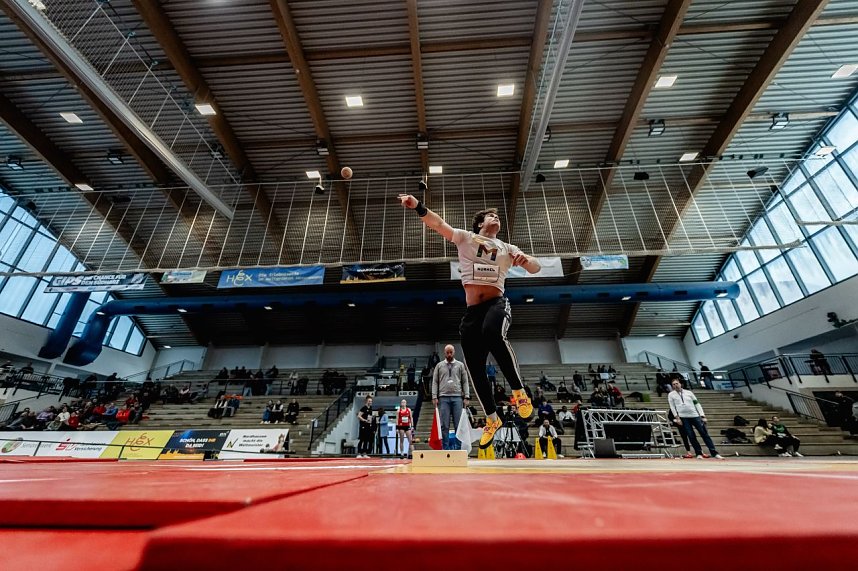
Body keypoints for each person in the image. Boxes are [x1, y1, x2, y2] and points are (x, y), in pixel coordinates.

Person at [400, 192, 539, 452]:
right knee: (474, 366)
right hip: (472, 311)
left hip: (496, 303)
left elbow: (536, 268)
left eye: (498, 216)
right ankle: (491, 418)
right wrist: (417, 206)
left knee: (493, 333)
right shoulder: (466, 237)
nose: (495, 217)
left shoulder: (508, 248)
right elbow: (439, 224)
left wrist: (527, 260)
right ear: (479, 224)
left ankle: (519, 393)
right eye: (490, 215)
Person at [667, 379, 723, 459]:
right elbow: (672, 407)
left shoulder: (689, 393)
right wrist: (677, 418)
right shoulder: (671, 395)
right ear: (672, 386)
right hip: (683, 417)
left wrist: (702, 415)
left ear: (680, 384)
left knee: (704, 434)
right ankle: (698, 453)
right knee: (691, 436)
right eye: (673, 384)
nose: (676, 385)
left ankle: (714, 452)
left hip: (695, 415)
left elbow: (697, 403)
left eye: (677, 383)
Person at [432, 344, 471, 450]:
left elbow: (465, 381)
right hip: (443, 398)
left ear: (454, 352)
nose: (449, 354)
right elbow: (435, 382)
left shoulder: (460, 365)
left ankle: (458, 448)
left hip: (457, 398)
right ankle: (445, 449)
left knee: (458, 425)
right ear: (444, 353)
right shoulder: (439, 366)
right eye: (447, 352)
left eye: (451, 352)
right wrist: (434, 396)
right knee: (444, 425)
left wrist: (466, 396)